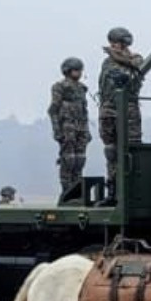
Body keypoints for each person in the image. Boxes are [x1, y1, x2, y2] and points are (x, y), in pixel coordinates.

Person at [99, 27, 151, 196]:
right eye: (112, 43)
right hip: (108, 110)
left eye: (117, 43)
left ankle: (130, 189)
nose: (114, 46)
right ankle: (113, 190)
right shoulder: (107, 62)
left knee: (132, 149)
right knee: (111, 151)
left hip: (129, 110)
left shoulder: (135, 58)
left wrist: (117, 55)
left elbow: (138, 63)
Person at [48, 56, 93, 201]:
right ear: (67, 71)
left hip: (81, 126)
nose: (79, 73)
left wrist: (87, 130)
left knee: (80, 160)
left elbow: (84, 110)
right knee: (69, 160)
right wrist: (56, 130)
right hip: (67, 126)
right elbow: (53, 110)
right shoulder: (60, 87)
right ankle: (67, 192)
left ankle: (77, 190)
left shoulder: (81, 88)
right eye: (75, 70)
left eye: (80, 70)